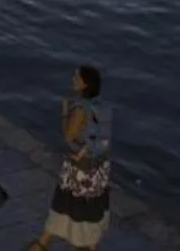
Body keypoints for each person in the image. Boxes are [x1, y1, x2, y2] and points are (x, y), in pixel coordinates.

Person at [28, 66, 111, 251]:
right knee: (89, 225)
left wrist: (65, 112)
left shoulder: (81, 109)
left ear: (85, 84)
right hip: (99, 172)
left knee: (65, 214)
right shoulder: (103, 106)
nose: (73, 80)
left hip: (79, 174)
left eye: (76, 78)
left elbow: (69, 136)